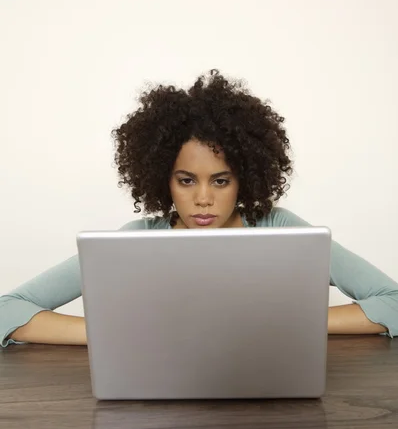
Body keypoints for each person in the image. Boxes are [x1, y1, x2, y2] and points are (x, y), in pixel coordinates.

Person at [1, 69, 398, 348]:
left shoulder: (281, 228)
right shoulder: (135, 241)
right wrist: (114, 333)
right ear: (163, 179)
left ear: (244, 179)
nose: (203, 198)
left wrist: (282, 326)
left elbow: (391, 301)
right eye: (186, 180)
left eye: (221, 181)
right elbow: (8, 311)